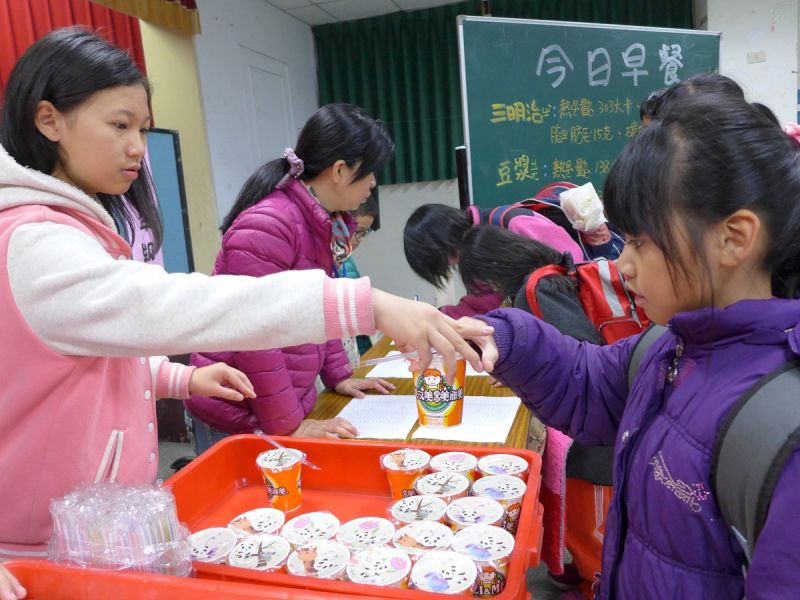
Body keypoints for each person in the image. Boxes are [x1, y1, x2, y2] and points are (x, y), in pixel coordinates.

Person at [0, 27, 489, 579]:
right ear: (50, 120)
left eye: (142, 128)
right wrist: (366, 304)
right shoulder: (36, 243)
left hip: (97, 522)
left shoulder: (69, 229)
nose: (138, 147)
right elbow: (177, 307)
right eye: (120, 126)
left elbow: (85, 358)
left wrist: (180, 378)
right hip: (44, 545)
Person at [468, 89, 800, 598]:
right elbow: (587, 382)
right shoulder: (670, 344)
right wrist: (501, 336)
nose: (623, 264)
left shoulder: (782, 433)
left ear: (734, 238)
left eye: (641, 243)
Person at [186, 103, 401, 448]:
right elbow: (255, 336)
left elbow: (315, 311)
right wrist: (286, 427)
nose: (374, 182)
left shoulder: (319, 221)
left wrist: (339, 376)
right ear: (340, 170)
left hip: (273, 409)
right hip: (235, 409)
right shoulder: (270, 224)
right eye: (370, 171)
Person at [460, 225, 614, 597]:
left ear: (491, 270)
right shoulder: (545, 279)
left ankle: (598, 585)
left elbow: (580, 356)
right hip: (585, 430)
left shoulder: (539, 287)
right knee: (578, 521)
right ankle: (583, 573)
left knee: (593, 527)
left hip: (594, 445)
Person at [403, 202, 584, 318]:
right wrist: (439, 317)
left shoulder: (514, 224)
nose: (450, 265)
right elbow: (484, 303)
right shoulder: (473, 253)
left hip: (575, 316)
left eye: (441, 262)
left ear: (442, 245)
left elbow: (574, 266)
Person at [340, 188, 380, 358]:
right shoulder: (336, 260)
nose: (360, 239)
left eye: (365, 232)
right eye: (358, 231)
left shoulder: (346, 258)